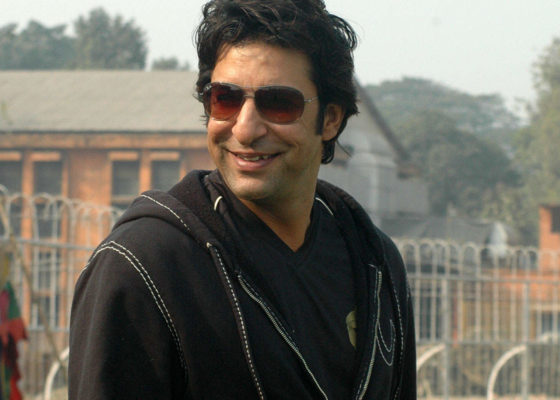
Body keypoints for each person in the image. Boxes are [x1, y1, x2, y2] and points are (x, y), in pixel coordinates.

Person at [68, 0, 417, 398]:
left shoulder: (373, 263)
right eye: (226, 99)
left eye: (279, 103)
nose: (246, 129)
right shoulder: (148, 265)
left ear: (331, 119)